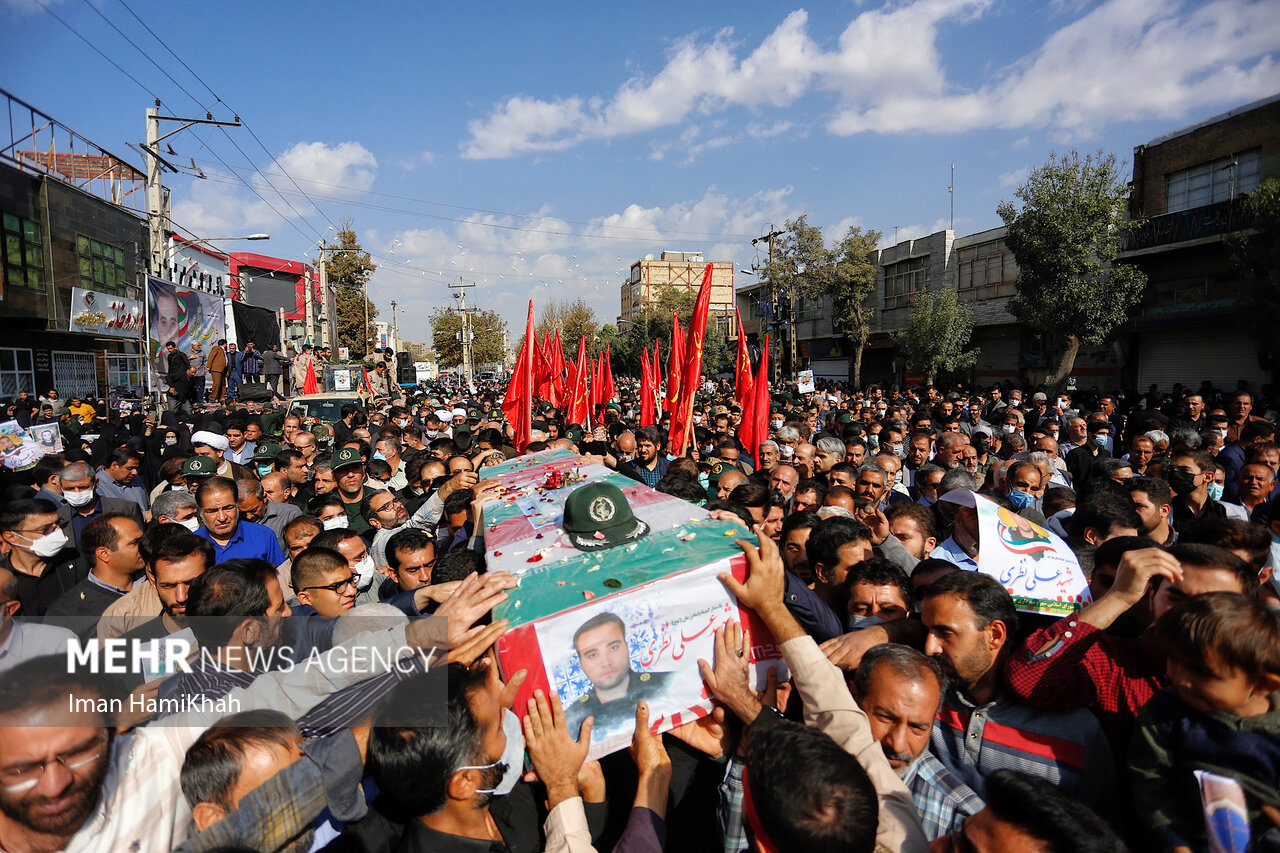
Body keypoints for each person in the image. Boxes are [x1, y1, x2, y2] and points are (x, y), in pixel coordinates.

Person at [921, 571, 1115, 808]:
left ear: (995, 635)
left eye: (944, 633)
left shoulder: (1076, 731)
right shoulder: (926, 697)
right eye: (927, 631)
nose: (930, 647)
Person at [1129, 592, 1280, 851]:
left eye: (1201, 672)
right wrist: (1174, 843)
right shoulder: (1165, 712)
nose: (1179, 677)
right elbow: (1151, 783)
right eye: (1173, 659)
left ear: (1263, 684)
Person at [852, 644, 984, 840]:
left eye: (917, 728)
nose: (897, 744)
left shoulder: (961, 821)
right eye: (886, 718)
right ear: (853, 697)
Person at [564, 611, 675, 736]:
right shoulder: (571, 719)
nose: (605, 662)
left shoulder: (669, 684)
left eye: (613, 648)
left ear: (627, 648)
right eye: (593, 655)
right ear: (581, 664)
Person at [44, 514, 143, 639]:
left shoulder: (158, 583)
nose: (145, 546)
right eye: (135, 542)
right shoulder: (66, 615)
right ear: (104, 554)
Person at [193, 477, 286, 565]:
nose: (222, 518)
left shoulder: (264, 535)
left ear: (237, 506)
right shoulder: (191, 545)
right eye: (212, 511)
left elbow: (280, 574)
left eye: (228, 508)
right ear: (200, 513)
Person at [208, 338, 228, 403]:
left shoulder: (224, 350)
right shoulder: (217, 348)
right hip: (216, 369)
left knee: (223, 384)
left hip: (223, 370)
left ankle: (222, 397)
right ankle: (213, 397)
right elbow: (211, 357)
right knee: (217, 384)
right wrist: (208, 366)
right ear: (224, 344)